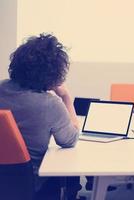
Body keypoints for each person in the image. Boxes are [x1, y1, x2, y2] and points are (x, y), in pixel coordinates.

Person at [0, 33, 81, 200]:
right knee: (72, 174)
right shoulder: (50, 104)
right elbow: (69, 140)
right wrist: (66, 97)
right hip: (31, 183)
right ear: (53, 74)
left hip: (4, 179)